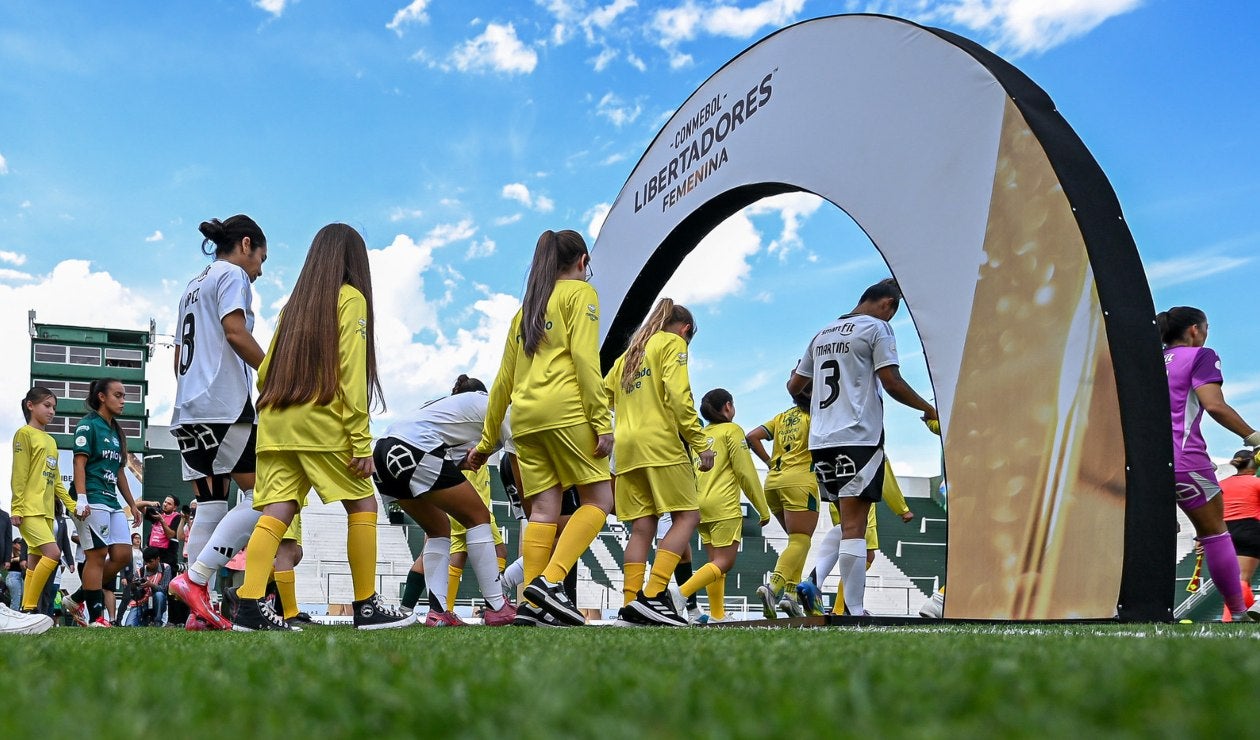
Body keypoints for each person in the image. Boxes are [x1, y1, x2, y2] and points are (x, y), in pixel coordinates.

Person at [231, 223, 412, 631]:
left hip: (275, 424)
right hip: (320, 424)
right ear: (354, 261)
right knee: (363, 505)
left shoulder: (293, 307)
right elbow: (352, 375)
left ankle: (249, 604)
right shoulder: (351, 299)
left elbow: (266, 372)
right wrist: (361, 442)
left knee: (277, 510)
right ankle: (367, 605)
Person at [470, 229, 613, 627]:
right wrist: (601, 421)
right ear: (583, 261)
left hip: (524, 422)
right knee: (600, 501)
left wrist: (487, 441)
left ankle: (533, 604)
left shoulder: (525, 312)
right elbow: (586, 360)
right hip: (565, 412)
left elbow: (502, 382)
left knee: (544, 511)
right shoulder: (581, 294)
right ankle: (551, 581)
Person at [786, 278, 938, 618]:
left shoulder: (821, 334)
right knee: (856, 527)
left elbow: (795, 386)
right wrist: (929, 409)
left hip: (821, 442)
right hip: (858, 437)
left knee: (846, 522)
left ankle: (815, 580)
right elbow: (891, 381)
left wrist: (820, 404)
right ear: (888, 304)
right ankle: (854, 611)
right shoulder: (877, 328)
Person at [168, 215, 269, 631]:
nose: (260, 270)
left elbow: (178, 358)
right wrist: (276, 371)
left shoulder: (191, 286)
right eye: (261, 258)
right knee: (268, 497)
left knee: (211, 503)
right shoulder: (232, 275)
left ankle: (199, 611)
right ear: (246, 244)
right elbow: (235, 332)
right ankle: (195, 579)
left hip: (187, 410)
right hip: (223, 407)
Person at [373, 374, 516, 626]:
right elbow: (516, 457)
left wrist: (467, 460)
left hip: (383, 452)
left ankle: (438, 612)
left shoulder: (447, 408)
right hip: (414, 448)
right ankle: (497, 606)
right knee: (478, 517)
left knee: (438, 529)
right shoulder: (501, 406)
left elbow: (451, 460)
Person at [604, 297, 713, 626]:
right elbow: (679, 396)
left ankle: (630, 606)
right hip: (660, 443)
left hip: (626, 448)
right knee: (688, 516)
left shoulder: (629, 354)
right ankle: (653, 596)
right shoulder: (672, 343)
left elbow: (604, 395)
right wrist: (700, 443)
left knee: (642, 526)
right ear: (685, 329)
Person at [1158, 306, 1260, 622]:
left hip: (1145, 463)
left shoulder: (1151, 360)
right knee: (1215, 533)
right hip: (1186, 459)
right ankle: (1238, 612)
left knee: (1152, 533)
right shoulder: (1200, 356)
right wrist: (1253, 436)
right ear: (1194, 330)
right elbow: (1214, 405)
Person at [675, 388, 770, 624]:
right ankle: (680, 594)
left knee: (715, 564)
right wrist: (762, 507)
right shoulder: (732, 431)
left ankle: (717, 614)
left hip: (699, 505)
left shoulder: (700, 435)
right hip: (723, 505)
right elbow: (745, 473)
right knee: (724, 562)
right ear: (728, 406)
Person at [797, 459, 915, 616]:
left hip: (834, 486)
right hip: (859, 492)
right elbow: (883, 470)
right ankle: (844, 607)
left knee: (845, 533)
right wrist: (901, 508)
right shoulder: (868, 443)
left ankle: (815, 583)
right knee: (864, 551)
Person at [72, 378, 143, 627]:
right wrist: (81, 498)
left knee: (123, 555)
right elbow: (79, 462)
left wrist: (132, 504)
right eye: (118, 395)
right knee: (97, 554)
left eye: (124, 396)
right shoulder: (88, 425)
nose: (123, 401)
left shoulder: (116, 431)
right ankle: (96, 618)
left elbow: (119, 471)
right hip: (92, 497)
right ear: (102, 397)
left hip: (111, 501)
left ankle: (77, 597)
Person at [746, 383, 818, 619]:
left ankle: (791, 596)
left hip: (773, 482)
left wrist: (769, 462)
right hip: (800, 481)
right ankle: (773, 588)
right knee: (801, 540)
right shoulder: (816, 416)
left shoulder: (781, 417)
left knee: (796, 541)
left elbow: (752, 436)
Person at [10, 387, 78, 617]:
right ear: (30, 405)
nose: (52, 411)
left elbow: (56, 481)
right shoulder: (24, 434)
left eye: (54, 408)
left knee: (35, 559)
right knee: (53, 554)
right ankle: (28, 608)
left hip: (47, 512)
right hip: (29, 509)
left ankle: (26, 612)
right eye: (47, 405)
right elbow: (19, 474)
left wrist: (72, 505)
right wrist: (16, 507)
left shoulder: (50, 440)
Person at [1219, 449, 1260, 621]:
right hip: (1249, 529)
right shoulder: (1256, 483)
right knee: (1242, 579)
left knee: (1239, 580)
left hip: (1223, 531)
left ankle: (1248, 615)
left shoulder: (1221, 484)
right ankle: (1230, 618)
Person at [121, 546, 172, 627]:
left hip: (157, 601)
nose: (148, 564)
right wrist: (134, 586)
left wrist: (151, 585)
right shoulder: (140, 571)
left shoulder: (165, 568)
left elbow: (164, 589)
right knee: (129, 625)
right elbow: (134, 595)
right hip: (142, 602)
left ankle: (157, 622)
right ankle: (144, 622)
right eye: (146, 562)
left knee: (159, 595)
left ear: (158, 559)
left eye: (150, 562)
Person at [136, 495, 183, 574]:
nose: (165, 504)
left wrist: (161, 520)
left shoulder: (177, 517)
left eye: (169, 504)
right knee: (148, 575)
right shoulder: (157, 512)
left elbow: (170, 535)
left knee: (166, 576)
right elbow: (137, 506)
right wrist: (150, 503)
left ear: (174, 507)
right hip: (152, 551)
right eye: (165, 502)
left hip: (167, 554)